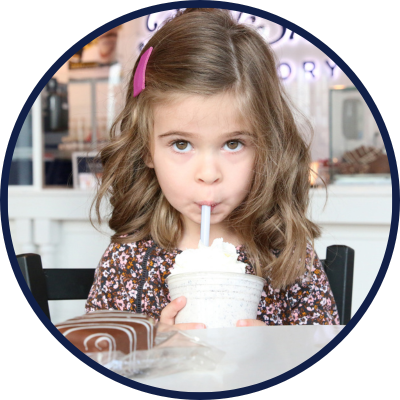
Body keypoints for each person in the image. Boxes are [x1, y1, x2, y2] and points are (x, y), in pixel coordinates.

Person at [85, 8, 340, 327]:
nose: (208, 173)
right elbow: (103, 353)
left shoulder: (287, 255)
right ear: (146, 148)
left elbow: (320, 344)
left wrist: (275, 352)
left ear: (266, 147)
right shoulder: (128, 258)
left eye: (233, 143)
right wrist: (155, 351)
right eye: (181, 144)